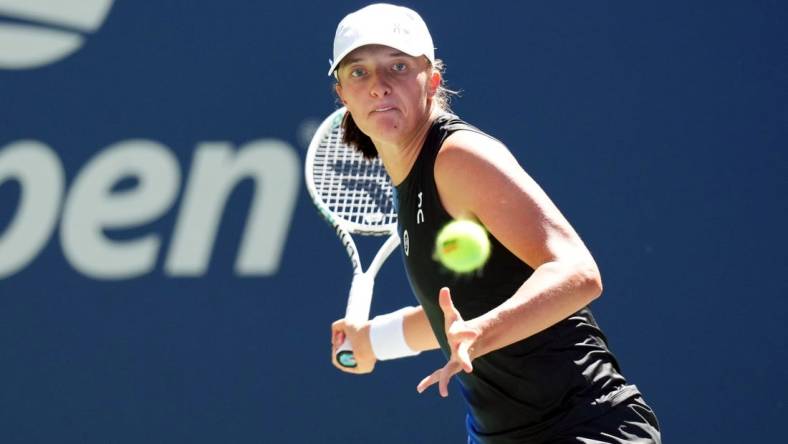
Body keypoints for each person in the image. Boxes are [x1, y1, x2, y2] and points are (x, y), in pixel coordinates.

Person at [327, 4, 661, 443]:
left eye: (398, 66)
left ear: (431, 80)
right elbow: (459, 314)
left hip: (583, 428)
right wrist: (374, 342)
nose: (379, 86)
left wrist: (483, 332)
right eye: (359, 73)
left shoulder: (458, 157)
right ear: (343, 97)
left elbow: (578, 273)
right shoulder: (409, 176)